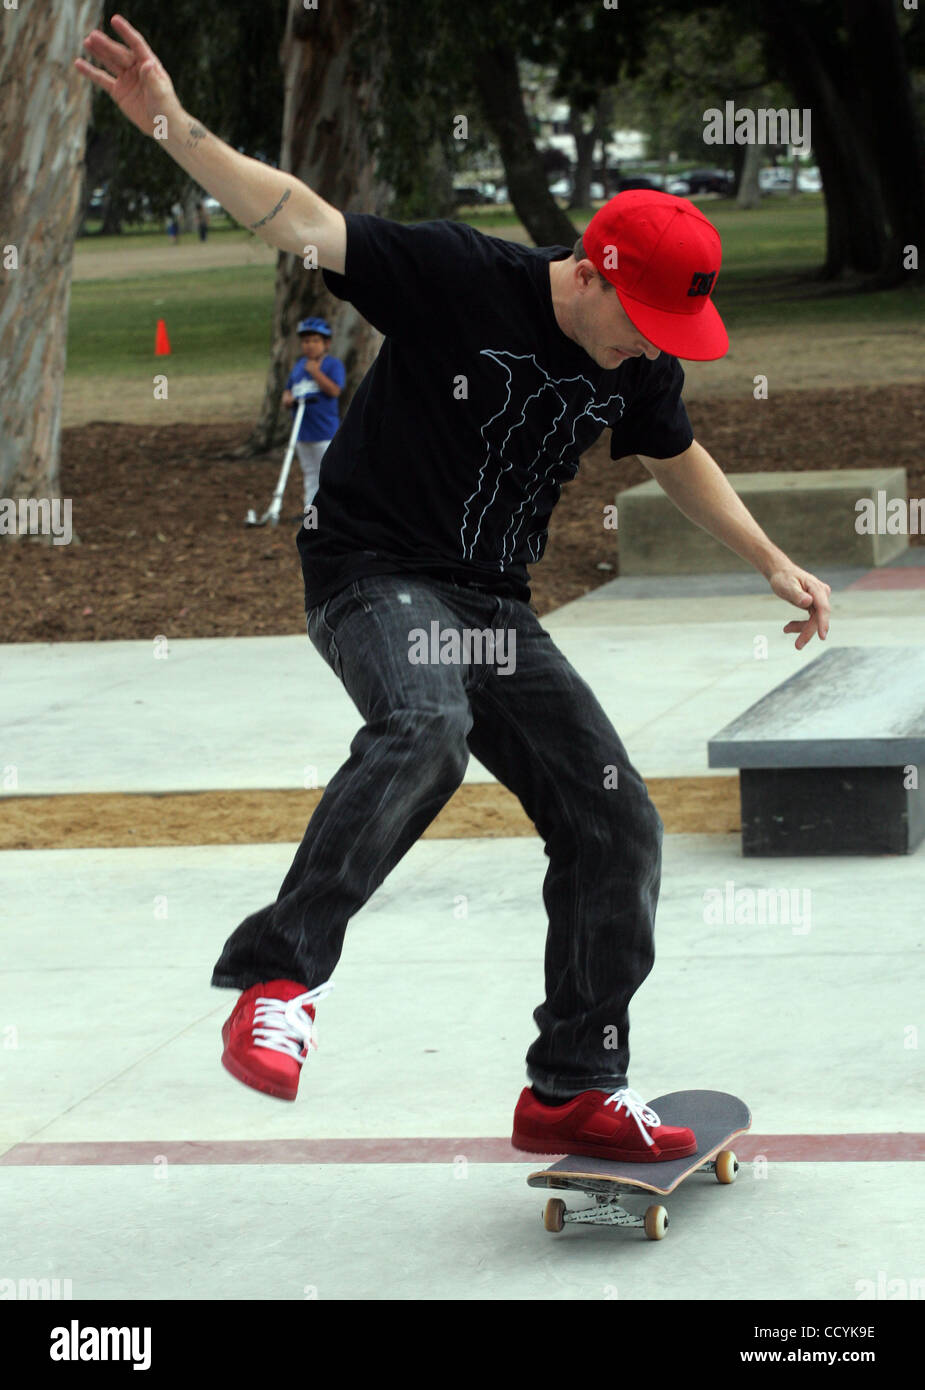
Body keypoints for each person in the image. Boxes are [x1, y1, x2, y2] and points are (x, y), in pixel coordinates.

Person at [76, 17, 832, 1163]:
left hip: (491, 606)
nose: (648, 352)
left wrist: (769, 556)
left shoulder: (644, 357)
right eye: (643, 323)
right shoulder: (455, 274)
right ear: (586, 270)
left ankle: (573, 1083)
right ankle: (278, 977)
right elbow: (295, 214)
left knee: (615, 818)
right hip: (371, 573)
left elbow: (673, 451)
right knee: (425, 728)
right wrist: (171, 124)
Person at [281, 317, 345, 512]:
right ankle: (311, 518)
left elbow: (335, 391)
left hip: (325, 432)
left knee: (329, 475)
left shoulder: (332, 365)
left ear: (326, 343)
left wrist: (316, 373)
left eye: (315, 341)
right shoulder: (299, 366)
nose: (309, 346)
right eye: (306, 341)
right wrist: (287, 398)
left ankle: (334, 515)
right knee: (310, 475)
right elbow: (288, 390)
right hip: (302, 433)